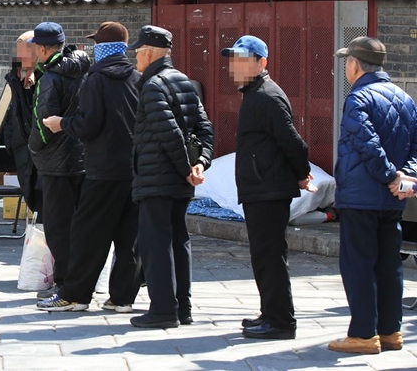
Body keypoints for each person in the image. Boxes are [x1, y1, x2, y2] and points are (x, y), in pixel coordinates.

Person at [38, 22, 142, 313]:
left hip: (102, 168)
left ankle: (75, 294)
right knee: (127, 237)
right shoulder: (136, 77)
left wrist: (62, 124)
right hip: (133, 168)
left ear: (102, 47)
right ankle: (122, 298)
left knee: (87, 234)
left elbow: (89, 124)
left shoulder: (96, 78)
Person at [220, 35, 315, 339]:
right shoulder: (254, 93)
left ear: (261, 63)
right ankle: (270, 313)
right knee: (264, 256)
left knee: (270, 256)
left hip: (268, 189)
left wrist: (302, 174)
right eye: (233, 61)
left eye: (242, 61)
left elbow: (294, 143)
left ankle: (280, 322)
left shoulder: (266, 96)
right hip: (261, 186)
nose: (235, 67)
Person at [328, 37, 417, 354]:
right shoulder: (405, 99)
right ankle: (391, 332)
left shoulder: (358, 99)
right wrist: (405, 177)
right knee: (389, 265)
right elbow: (415, 149)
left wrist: (391, 175)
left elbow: (367, 144)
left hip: (362, 196)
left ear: (354, 64)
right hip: (392, 199)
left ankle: (364, 334)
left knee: (359, 265)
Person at [126, 25, 214, 329]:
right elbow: (205, 130)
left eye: (137, 52)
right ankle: (182, 309)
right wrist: (200, 162)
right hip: (179, 179)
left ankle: (163, 309)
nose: (135, 58)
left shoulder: (153, 85)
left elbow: (169, 133)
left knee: (156, 243)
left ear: (148, 53)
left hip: (158, 175)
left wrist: (187, 167)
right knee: (179, 240)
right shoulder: (184, 82)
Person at [27, 22, 90, 298]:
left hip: (56, 163)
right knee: (80, 224)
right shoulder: (86, 72)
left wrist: (32, 148)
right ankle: (79, 281)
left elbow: (43, 125)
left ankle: (65, 284)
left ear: (41, 48)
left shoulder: (51, 78)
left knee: (58, 226)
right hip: (85, 159)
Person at [0, 31, 43, 219]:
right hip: (22, 148)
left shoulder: (46, 78)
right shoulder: (16, 77)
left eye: (25, 51)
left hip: (41, 151)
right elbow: (12, 112)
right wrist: (11, 141)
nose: (19, 56)